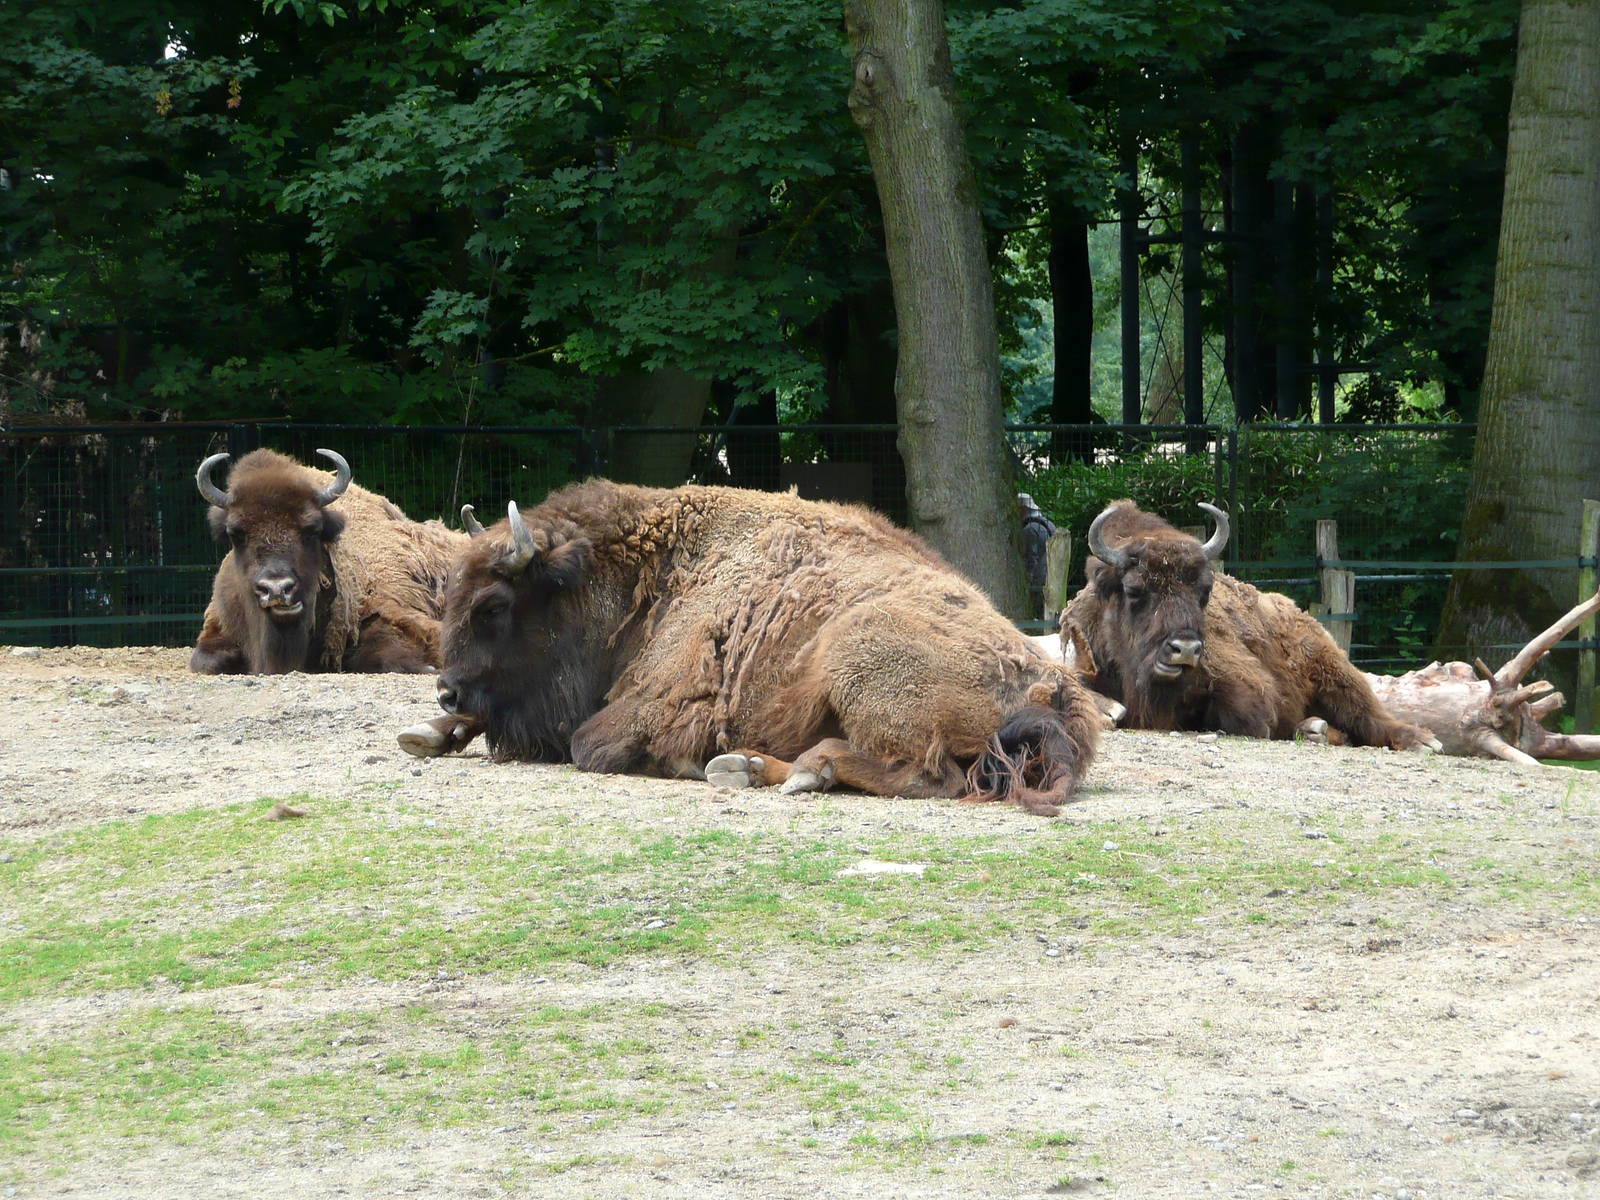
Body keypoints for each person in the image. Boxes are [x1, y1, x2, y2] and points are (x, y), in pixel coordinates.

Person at [1017, 492, 1057, 621]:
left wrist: (1027, 584)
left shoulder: (1029, 529)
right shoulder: (1049, 524)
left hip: (1039, 581)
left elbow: (1031, 559)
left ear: (1022, 509)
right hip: (1054, 576)